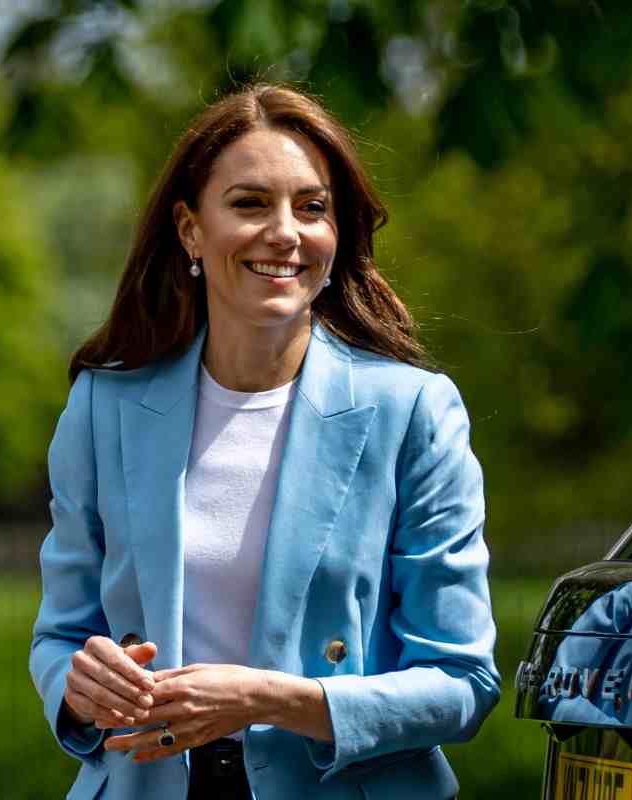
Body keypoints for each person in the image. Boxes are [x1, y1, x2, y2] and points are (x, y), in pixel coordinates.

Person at [28, 83, 500, 800]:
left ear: (337, 236)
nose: (285, 232)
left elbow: (464, 683)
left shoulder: (414, 411)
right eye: (250, 203)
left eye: (312, 207)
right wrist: (79, 684)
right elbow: (60, 637)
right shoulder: (105, 405)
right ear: (191, 230)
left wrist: (266, 698)